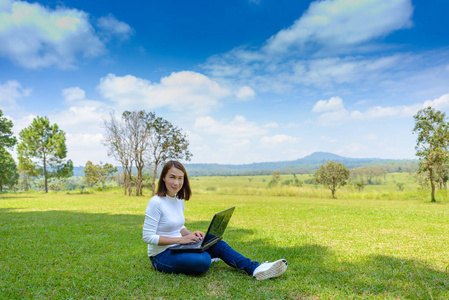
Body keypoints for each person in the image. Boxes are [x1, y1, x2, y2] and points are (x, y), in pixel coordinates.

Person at [142, 160, 288, 280]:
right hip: (161, 255)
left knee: (219, 244)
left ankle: (255, 268)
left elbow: (178, 226)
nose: (176, 182)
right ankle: (206, 255)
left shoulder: (178, 200)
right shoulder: (156, 203)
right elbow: (148, 237)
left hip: (179, 247)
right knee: (203, 261)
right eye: (172, 177)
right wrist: (181, 241)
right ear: (163, 178)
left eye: (180, 178)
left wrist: (189, 234)